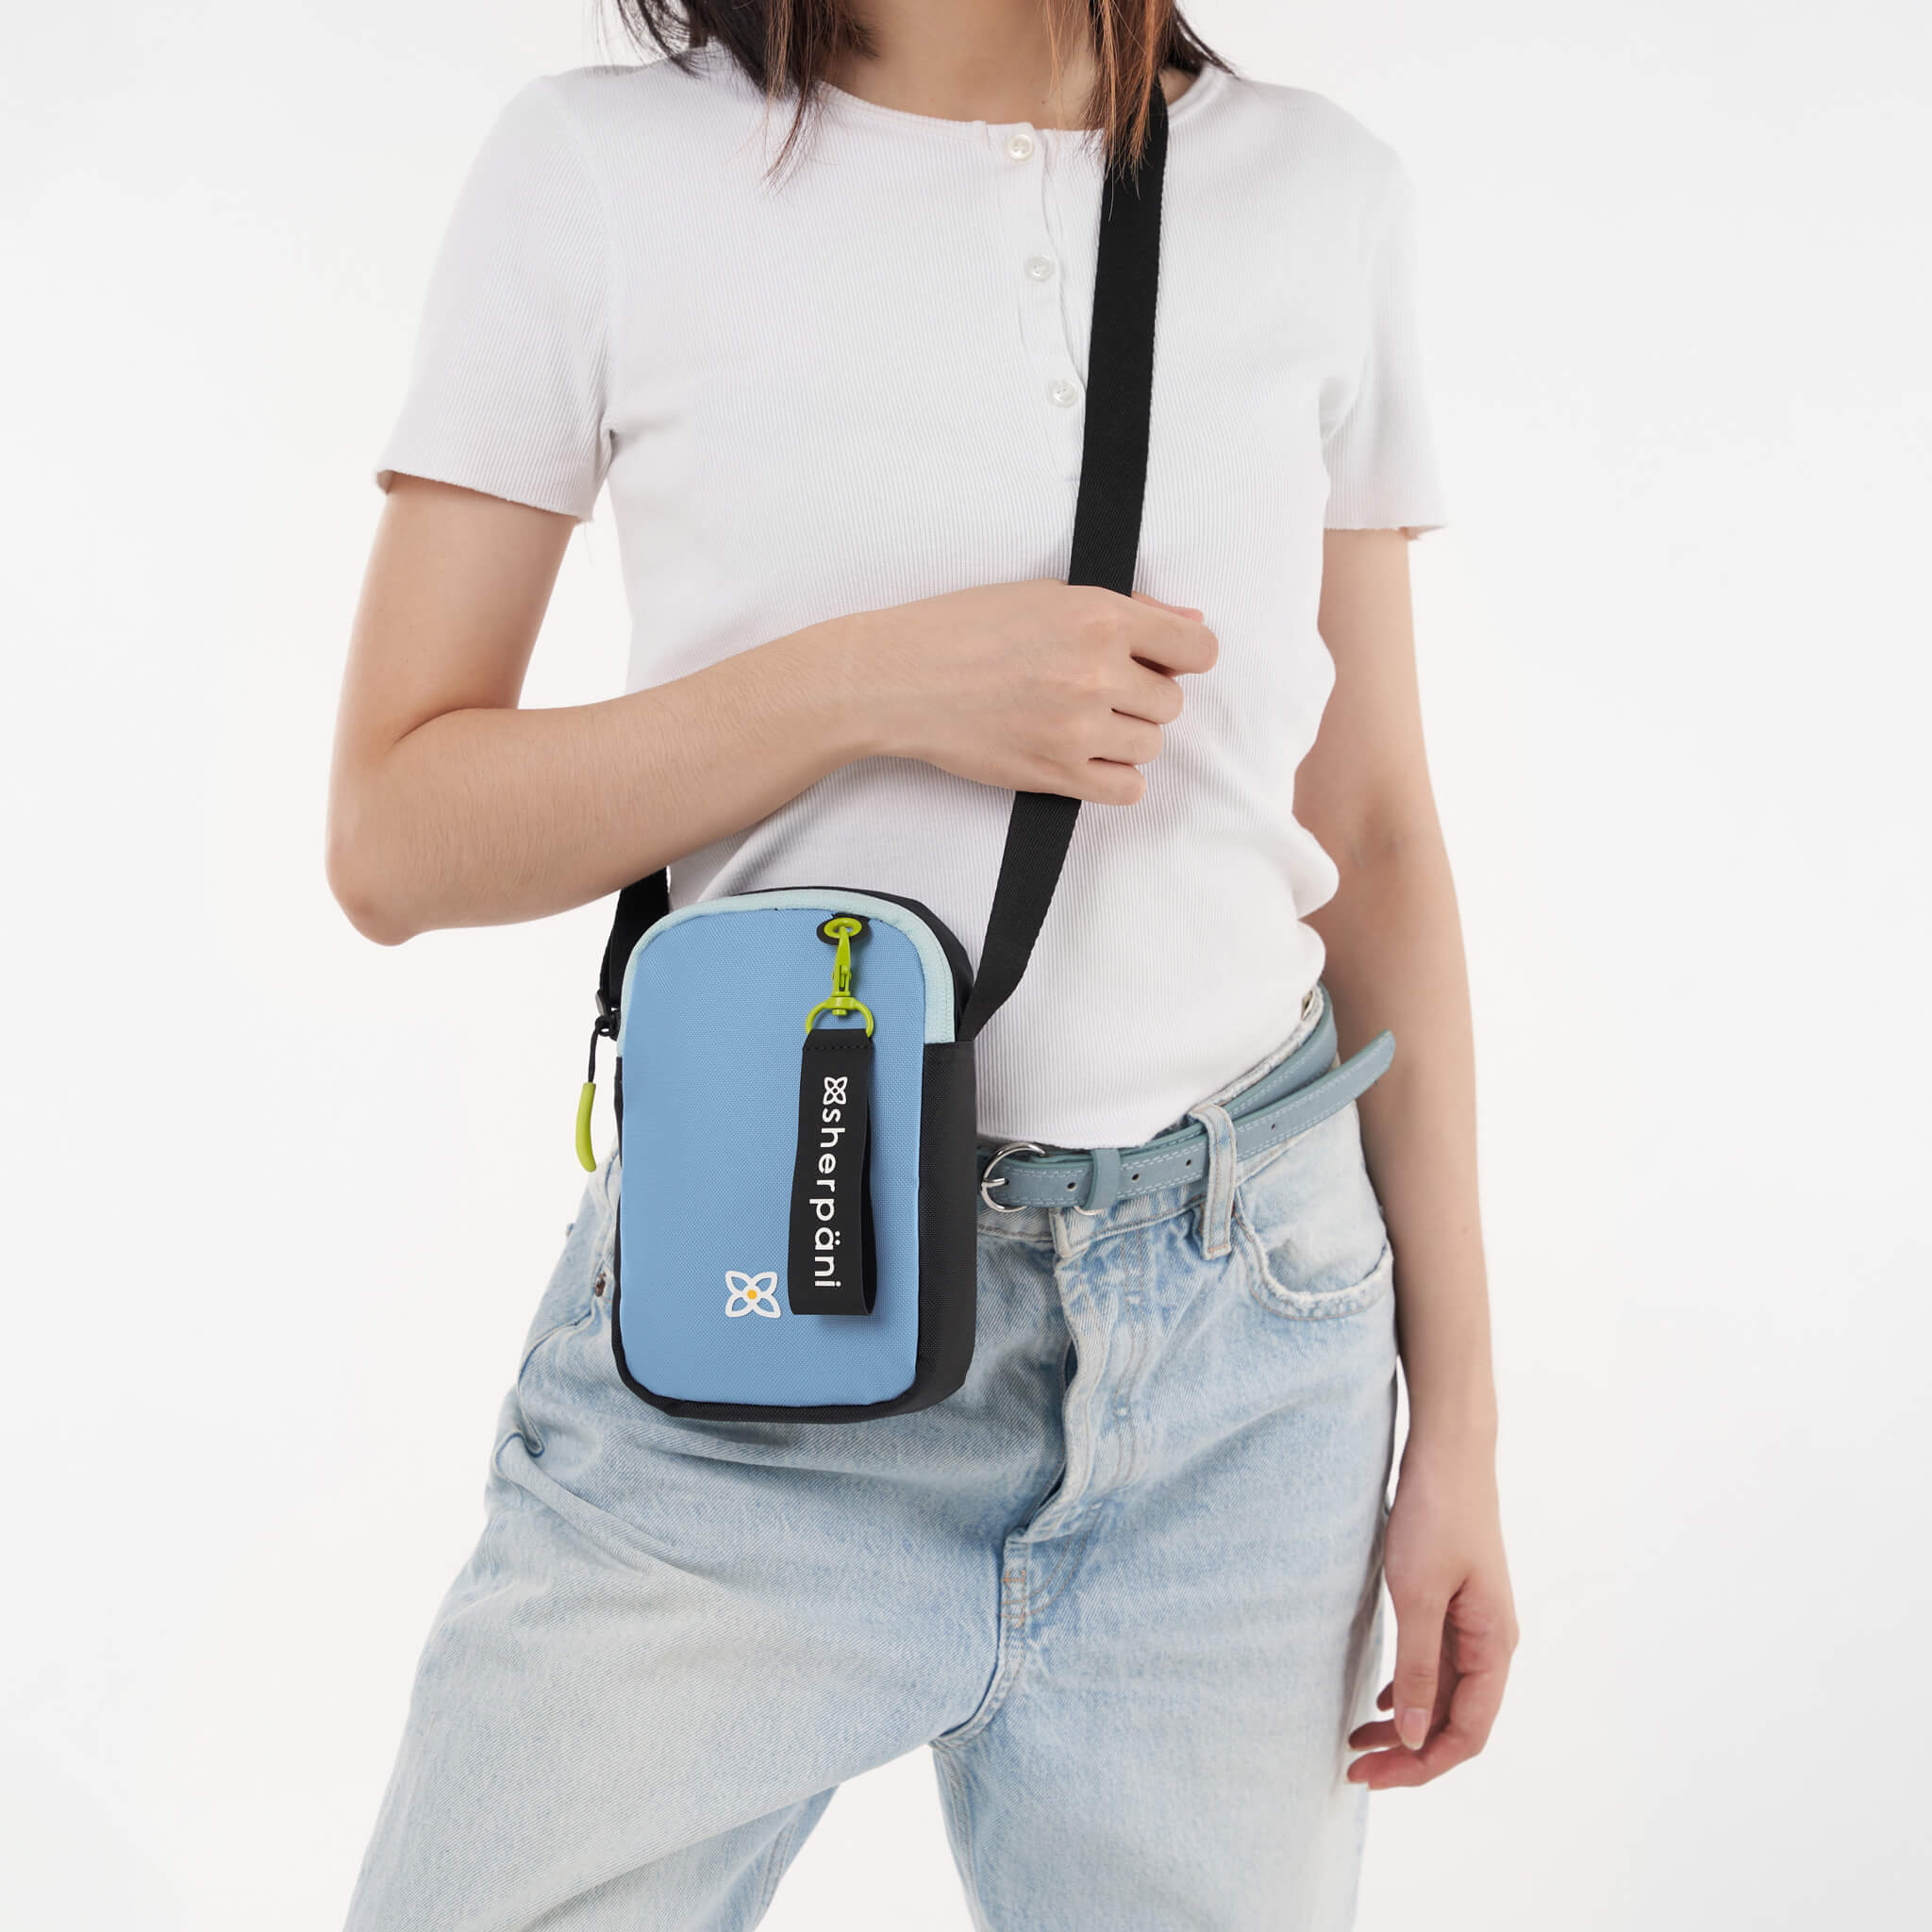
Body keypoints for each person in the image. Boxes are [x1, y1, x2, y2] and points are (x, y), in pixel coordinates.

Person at [327, 3, 1517, 1925]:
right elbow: (394, 835)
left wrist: (1454, 1430)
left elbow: (1370, 835)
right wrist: (866, 684)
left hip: (1246, 1357)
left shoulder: (1315, 194)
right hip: (756, 1336)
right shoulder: (602, 170)